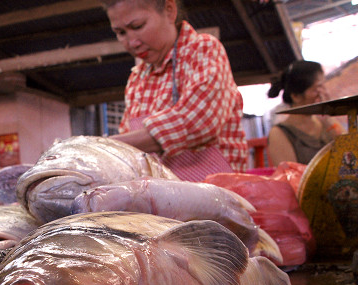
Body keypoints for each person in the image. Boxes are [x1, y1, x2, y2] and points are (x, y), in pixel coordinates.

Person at [102, 0, 248, 181]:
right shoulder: (137, 79)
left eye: (138, 26)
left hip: (218, 194)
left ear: (169, 10)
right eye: (121, 32)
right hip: (161, 200)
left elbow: (199, 120)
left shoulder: (202, 50)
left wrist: (104, 146)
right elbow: (128, 149)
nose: (133, 42)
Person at [266, 60, 344, 166]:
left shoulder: (326, 124)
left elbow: (350, 150)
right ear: (296, 96)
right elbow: (291, 177)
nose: (323, 93)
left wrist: (327, 115)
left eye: (323, 87)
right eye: (317, 89)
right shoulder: (280, 133)